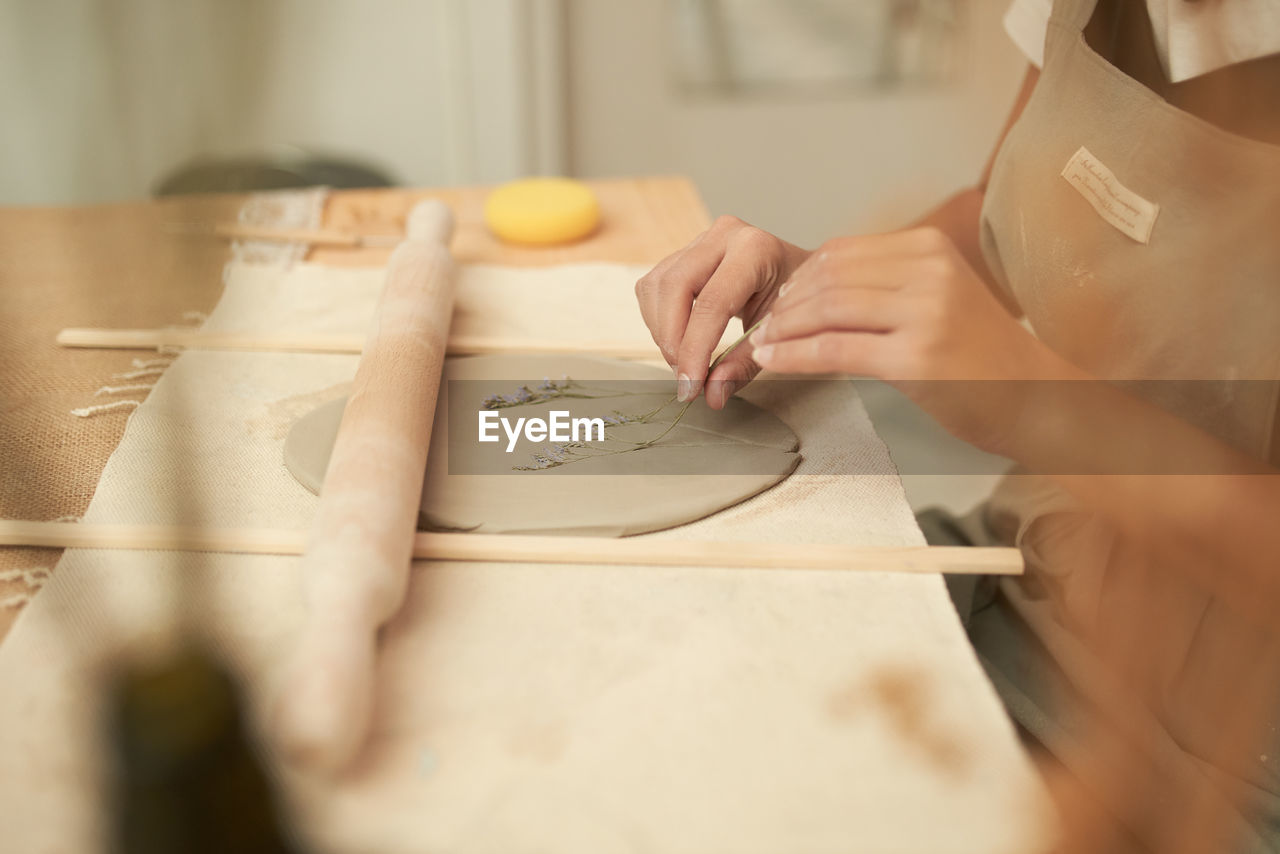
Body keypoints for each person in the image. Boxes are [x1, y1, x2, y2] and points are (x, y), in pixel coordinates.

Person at [634, 1, 1280, 851]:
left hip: (1231, 749)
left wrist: (1040, 406)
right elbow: (1006, 212)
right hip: (1049, 571)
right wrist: (819, 284)